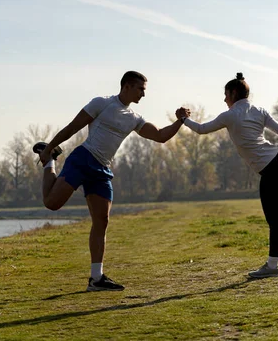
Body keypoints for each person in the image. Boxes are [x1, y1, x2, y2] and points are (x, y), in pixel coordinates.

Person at [33, 71, 185, 292]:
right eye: (141, 89)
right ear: (127, 87)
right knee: (52, 204)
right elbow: (72, 127)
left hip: (102, 169)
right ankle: (51, 163)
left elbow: (160, 135)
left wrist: (179, 121)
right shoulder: (101, 104)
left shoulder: (134, 118)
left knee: (102, 221)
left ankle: (96, 278)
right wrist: (47, 150)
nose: (144, 93)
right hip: (83, 159)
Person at [176, 72, 278, 279]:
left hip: (270, 167)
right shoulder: (259, 110)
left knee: (277, 217)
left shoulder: (230, 115)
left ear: (234, 93)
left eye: (225, 94)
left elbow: (200, 129)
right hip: (277, 159)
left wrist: (183, 119)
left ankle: (272, 267)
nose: (224, 99)